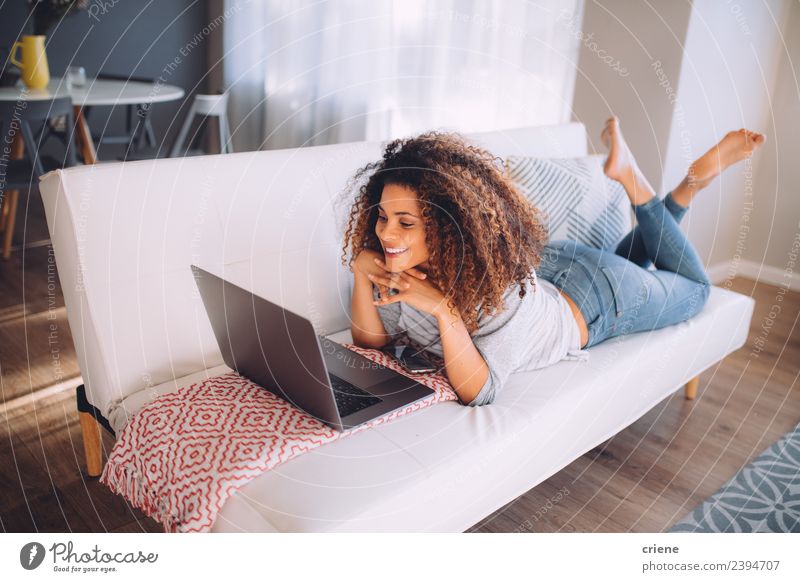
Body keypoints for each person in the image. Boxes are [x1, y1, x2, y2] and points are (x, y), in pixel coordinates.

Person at [339, 117, 765, 406]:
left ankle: (648, 182)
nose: (386, 234)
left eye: (405, 222)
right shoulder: (400, 262)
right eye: (382, 216)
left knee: (696, 288)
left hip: (598, 298)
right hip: (555, 265)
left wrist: (444, 309)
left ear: (450, 227)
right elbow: (372, 342)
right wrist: (361, 274)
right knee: (630, 263)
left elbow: (480, 391)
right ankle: (684, 189)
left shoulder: (500, 294)